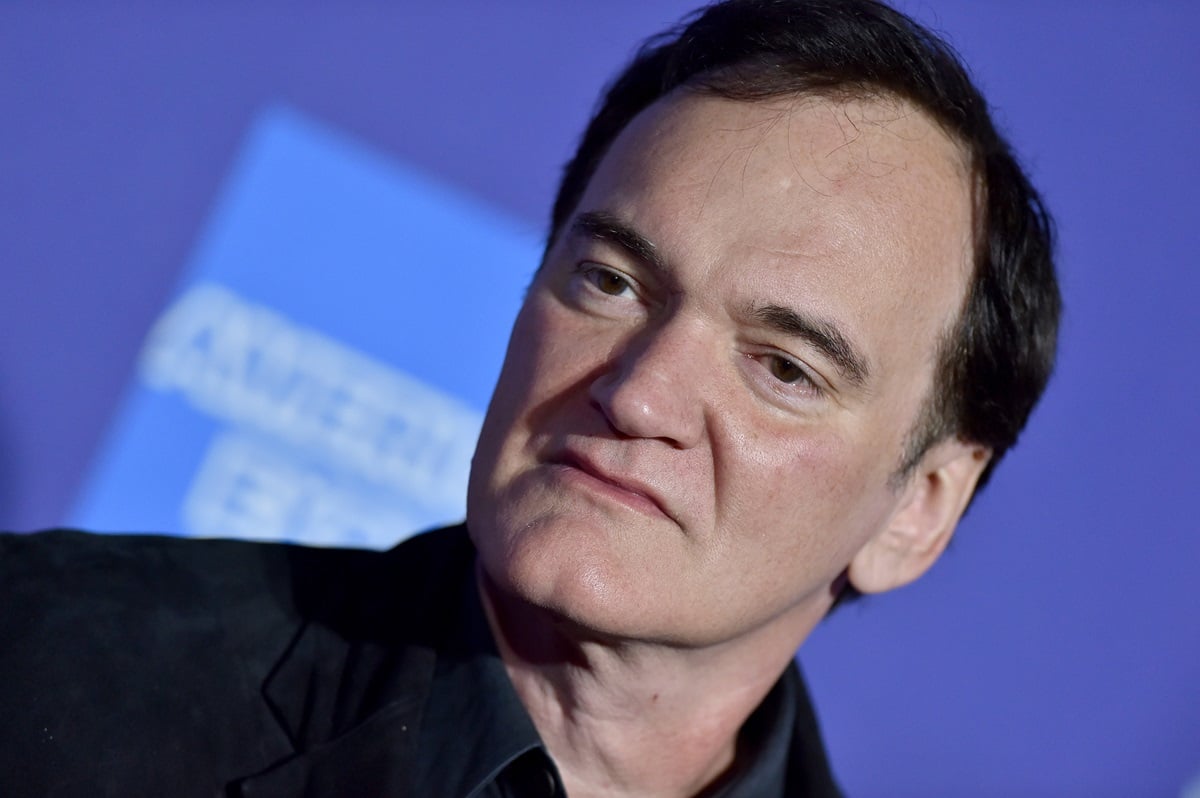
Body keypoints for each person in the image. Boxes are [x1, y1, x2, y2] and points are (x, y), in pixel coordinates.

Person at [0, 1, 1059, 796]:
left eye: (782, 367)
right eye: (611, 283)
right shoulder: (44, 663)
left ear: (919, 507)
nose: (640, 396)